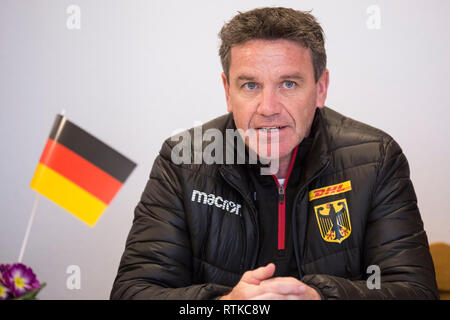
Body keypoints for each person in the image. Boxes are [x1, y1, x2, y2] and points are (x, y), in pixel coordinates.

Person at [110, 7, 438, 300]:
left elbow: (416, 292)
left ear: (320, 88)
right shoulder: (181, 160)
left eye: (289, 84)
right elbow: (133, 292)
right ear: (228, 92)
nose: (268, 108)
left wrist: (320, 298)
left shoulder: (377, 158)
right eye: (250, 85)